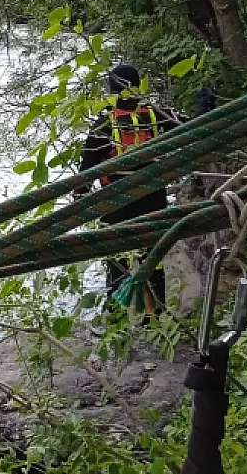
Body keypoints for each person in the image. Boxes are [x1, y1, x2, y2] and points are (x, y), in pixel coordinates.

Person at [75, 63, 184, 313]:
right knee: (152, 258)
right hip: (153, 199)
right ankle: (155, 313)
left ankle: (115, 317)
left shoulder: (105, 123)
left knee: (117, 261)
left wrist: (81, 198)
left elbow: (87, 167)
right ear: (136, 86)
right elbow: (189, 130)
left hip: (117, 202)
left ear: (112, 89)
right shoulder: (156, 114)